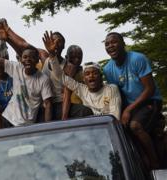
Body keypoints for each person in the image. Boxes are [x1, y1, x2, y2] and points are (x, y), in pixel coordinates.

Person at [103, 32, 163, 169]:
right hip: (130, 106)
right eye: (107, 44)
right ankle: (140, 162)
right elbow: (117, 94)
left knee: (135, 126)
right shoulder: (107, 69)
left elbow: (150, 89)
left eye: (114, 42)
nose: (110, 46)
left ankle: (155, 163)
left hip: (149, 101)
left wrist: (128, 110)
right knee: (120, 130)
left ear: (123, 44)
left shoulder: (138, 59)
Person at [42, 31, 93, 120]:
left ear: (63, 46)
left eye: (59, 42)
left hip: (60, 104)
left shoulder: (69, 67)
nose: (55, 44)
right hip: (47, 103)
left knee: (85, 111)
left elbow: (67, 92)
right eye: (53, 41)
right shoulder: (45, 60)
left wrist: (64, 118)